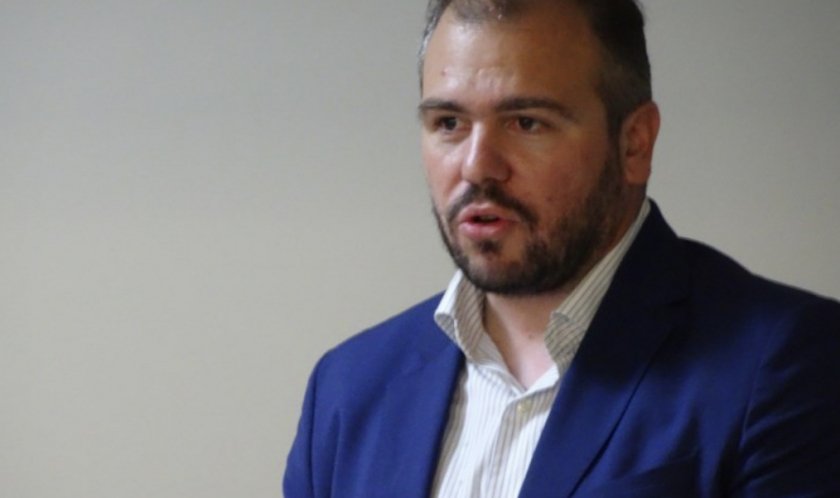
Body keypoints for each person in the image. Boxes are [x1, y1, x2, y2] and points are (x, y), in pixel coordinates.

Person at [284, 0, 840, 496]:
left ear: (635, 144)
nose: (477, 166)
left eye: (526, 123)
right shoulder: (348, 388)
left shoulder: (785, 362)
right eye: (449, 122)